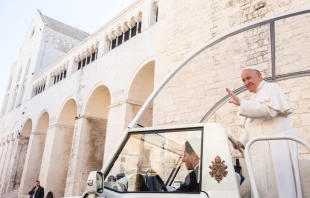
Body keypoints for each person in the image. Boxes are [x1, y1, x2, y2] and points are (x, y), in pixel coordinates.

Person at [226, 66, 302, 198]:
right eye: (243, 80)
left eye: (248, 78)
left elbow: (269, 111)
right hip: (261, 152)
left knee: (280, 189)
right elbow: (251, 126)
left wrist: (241, 104)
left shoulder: (271, 88)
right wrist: (241, 142)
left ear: (259, 76)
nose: (246, 82)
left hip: (276, 149)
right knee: (262, 189)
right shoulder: (254, 98)